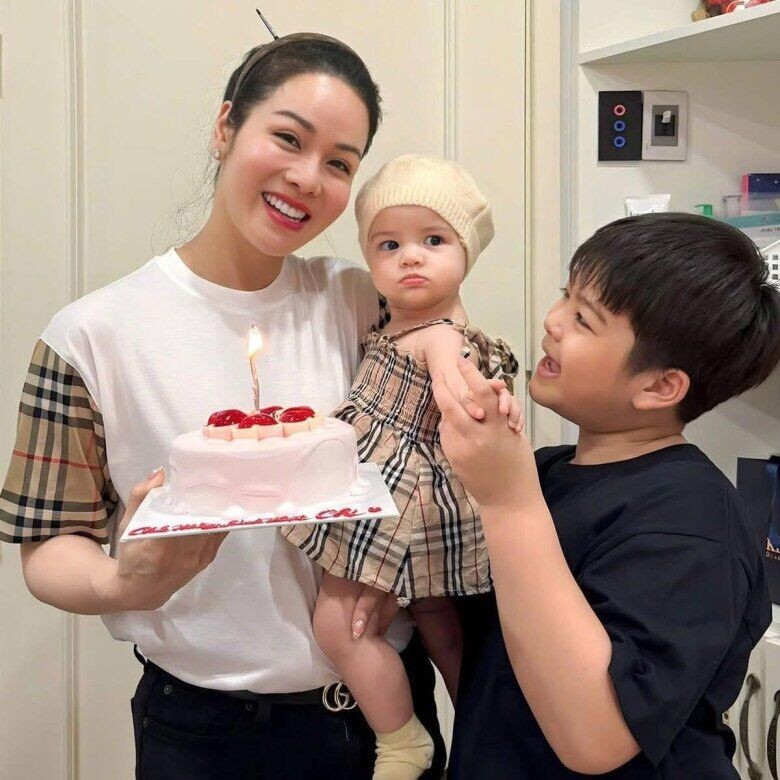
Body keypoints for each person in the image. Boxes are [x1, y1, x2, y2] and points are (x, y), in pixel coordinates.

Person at [0, 33, 445, 779]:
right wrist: (123, 582)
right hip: (206, 734)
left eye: (339, 163)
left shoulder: (363, 300)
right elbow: (47, 544)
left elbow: (437, 457)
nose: (307, 178)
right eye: (288, 138)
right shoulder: (91, 335)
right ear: (225, 126)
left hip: (387, 718)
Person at [432, 213, 780, 778]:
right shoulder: (547, 470)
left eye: (583, 320)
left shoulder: (696, 520)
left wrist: (508, 502)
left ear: (660, 386)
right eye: (564, 296)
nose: (552, 321)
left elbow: (597, 737)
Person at [283, 154, 521, 779]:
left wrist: (478, 393)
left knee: (338, 624)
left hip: (395, 496)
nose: (410, 257)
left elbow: (455, 376)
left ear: (467, 252)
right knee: (439, 622)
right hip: (411, 492)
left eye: (433, 240)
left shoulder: (440, 335)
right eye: (389, 245)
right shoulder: (401, 322)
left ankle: (400, 740)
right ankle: (493, 735)